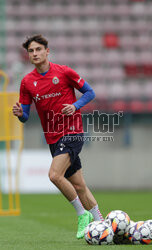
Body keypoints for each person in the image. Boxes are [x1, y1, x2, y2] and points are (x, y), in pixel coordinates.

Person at [12, 34, 103, 239]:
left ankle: (82, 215)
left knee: (54, 175)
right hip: (52, 138)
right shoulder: (27, 82)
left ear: (47, 51)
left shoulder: (64, 72)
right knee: (79, 185)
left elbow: (89, 92)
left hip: (72, 132)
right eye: (31, 51)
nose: (34, 54)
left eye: (38, 49)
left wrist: (75, 106)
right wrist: (20, 114)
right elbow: (25, 116)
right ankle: (102, 224)